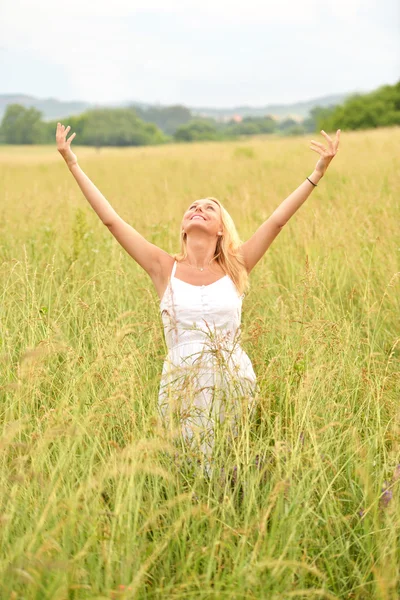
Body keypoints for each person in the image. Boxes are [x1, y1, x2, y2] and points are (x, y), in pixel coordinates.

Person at [56, 123, 341, 472]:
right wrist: (72, 163)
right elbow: (112, 221)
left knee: (231, 467)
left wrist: (317, 172)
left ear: (221, 228)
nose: (198, 209)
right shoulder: (163, 268)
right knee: (186, 469)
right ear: (183, 226)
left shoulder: (237, 265)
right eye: (192, 207)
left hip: (232, 380)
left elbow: (277, 221)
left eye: (209, 208)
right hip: (182, 385)